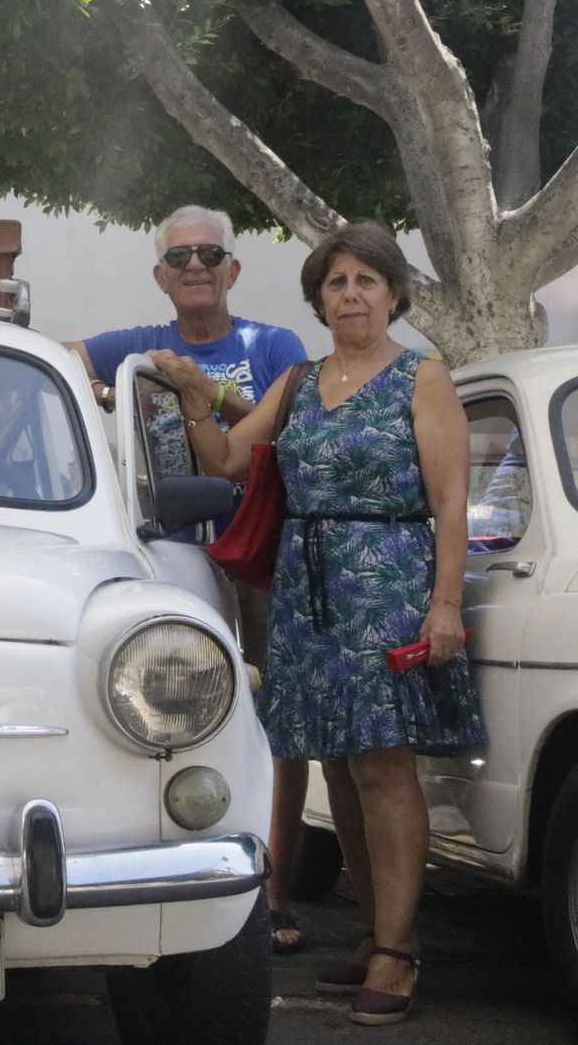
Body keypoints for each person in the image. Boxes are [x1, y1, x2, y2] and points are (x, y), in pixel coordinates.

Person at [174, 221, 485, 1026]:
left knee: (383, 765)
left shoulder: (423, 377)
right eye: (338, 283)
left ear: (393, 295)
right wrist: (192, 398)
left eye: (367, 282)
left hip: (387, 581)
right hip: (309, 590)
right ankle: (376, 930)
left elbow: (452, 501)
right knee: (340, 766)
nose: (352, 295)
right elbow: (227, 461)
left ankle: (398, 950)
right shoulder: (300, 383)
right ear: (318, 297)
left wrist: (444, 602)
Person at [64, 204, 311, 955]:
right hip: (172, 557)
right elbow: (56, 354)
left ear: (233, 269)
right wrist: (100, 392)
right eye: (180, 259)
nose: (196, 267)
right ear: (160, 277)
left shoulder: (276, 345)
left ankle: (271, 891)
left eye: (210, 255)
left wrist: (202, 390)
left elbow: (289, 424)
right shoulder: (137, 345)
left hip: (262, 551)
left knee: (275, 723)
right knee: (171, 714)